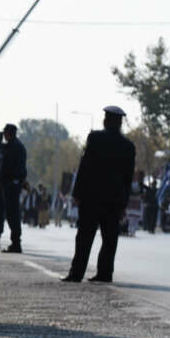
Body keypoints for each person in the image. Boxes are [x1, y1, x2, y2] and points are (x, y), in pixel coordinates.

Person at [61, 106, 136, 283]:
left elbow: (84, 167)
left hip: (91, 198)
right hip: (114, 200)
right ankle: (105, 273)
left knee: (84, 237)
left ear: (106, 121)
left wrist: (77, 193)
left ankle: (76, 273)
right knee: (110, 239)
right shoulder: (128, 146)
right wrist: (124, 203)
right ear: (119, 123)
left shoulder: (95, 138)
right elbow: (128, 177)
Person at [0, 123, 26, 252]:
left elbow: (17, 168)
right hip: (10, 184)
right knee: (11, 215)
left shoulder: (15, 147)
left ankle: (16, 243)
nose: (4, 135)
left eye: (5, 132)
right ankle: (15, 242)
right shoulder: (12, 146)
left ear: (9, 133)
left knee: (13, 215)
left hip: (12, 184)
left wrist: (15, 181)